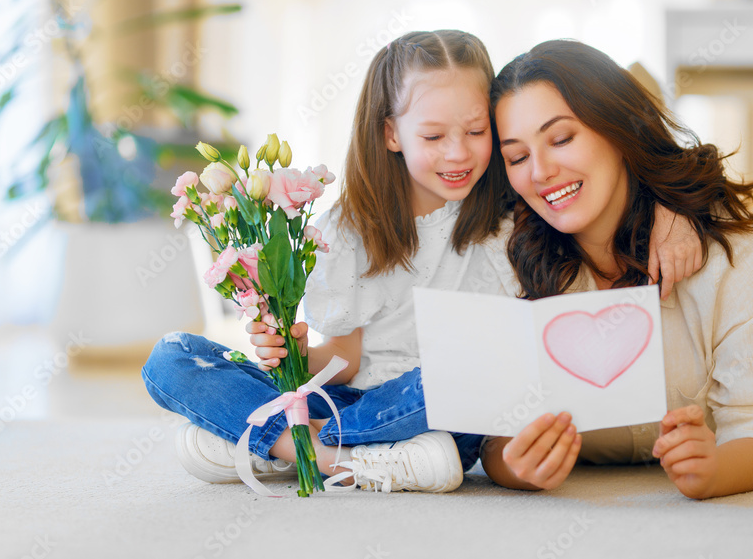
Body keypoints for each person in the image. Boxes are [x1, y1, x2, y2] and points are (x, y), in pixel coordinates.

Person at [143, 31, 700, 494]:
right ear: (391, 133)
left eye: (477, 132)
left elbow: (628, 151)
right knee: (173, 356)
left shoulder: (514, 207)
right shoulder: (347, 229)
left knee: (467, 381)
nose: (458, 154)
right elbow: (343, 360)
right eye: (433, 135)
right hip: (344, 402)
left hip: (444, 410)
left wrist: (673, 212)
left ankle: (272, 446)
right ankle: (331, 455)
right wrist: (290, 352)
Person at [480, 39, 753, 499]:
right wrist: (514, 468)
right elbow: (491, 438)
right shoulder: (500, 253)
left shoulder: (727, 252)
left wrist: (717, 470)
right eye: (517, 157)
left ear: (618, 129)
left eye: (562, 138)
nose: (541, 172)